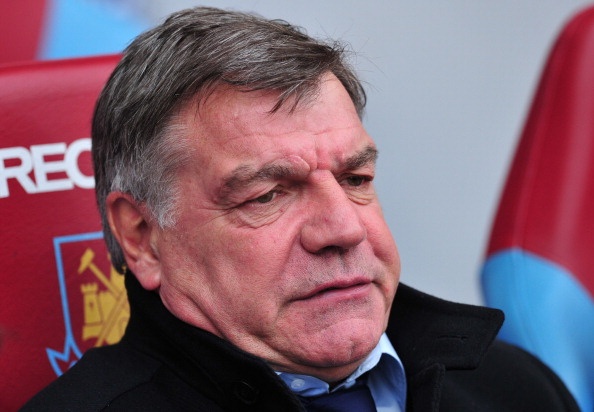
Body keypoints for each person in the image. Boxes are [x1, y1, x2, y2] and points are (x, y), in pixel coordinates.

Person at [23, 7, 578, 412]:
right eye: (267, 194)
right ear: (143, 236)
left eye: (356, 179)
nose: (344, 228)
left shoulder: (518, 389)